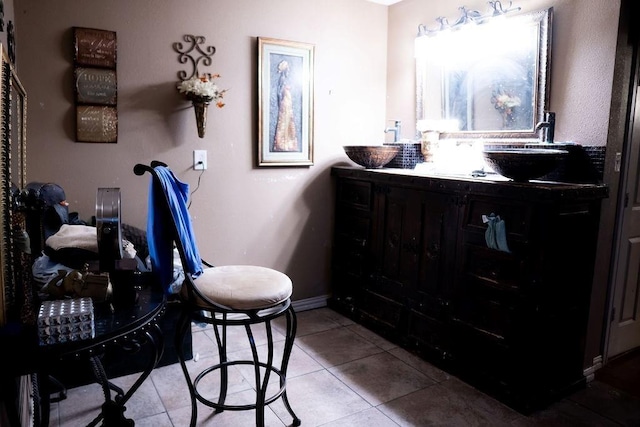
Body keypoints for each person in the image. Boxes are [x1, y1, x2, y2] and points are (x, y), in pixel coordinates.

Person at [272, 60, 299, 152]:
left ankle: (289, 143)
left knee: (288, 122)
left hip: (288, 104)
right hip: (285, 104)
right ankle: (283, 143)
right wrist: (281, 102)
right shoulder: (282, 79)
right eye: (287, 70)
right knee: (284, 122)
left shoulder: (285, 79)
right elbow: (279, 92)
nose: (288, 71)